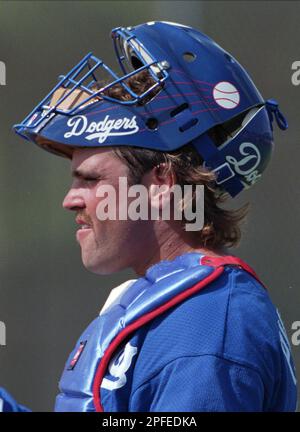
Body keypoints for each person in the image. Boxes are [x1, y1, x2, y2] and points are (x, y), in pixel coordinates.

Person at [1, 21, 297, 412]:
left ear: (159, 184)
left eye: (90, 180)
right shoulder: (174, 303)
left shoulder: (207, 325)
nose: (70, 200)